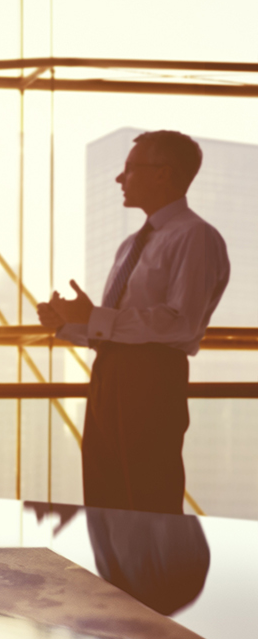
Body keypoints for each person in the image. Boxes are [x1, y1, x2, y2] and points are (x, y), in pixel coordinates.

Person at [38, 130, 228, 515]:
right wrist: (69, 325)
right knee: (105, 494)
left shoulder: (195, 236)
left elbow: (181, 324)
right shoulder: (131, 244)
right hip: (109, 372)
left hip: (153, 377)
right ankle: (114, 577)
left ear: (163, 174)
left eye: (129, 169)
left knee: (147, 494)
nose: (119, 179)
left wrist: (93, 317)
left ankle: (156, 576)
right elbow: (118, 331)